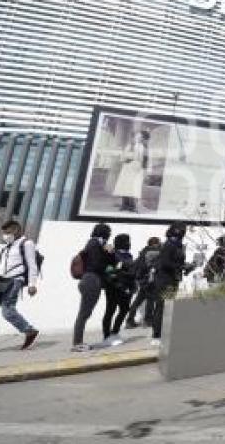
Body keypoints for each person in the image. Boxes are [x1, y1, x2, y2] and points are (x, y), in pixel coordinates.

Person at [0, 220, 40, 349]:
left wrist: (32, 284)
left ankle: (29, 330)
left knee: (7, 311)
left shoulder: (26, 243)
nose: (5, 236)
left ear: (16, 230)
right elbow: (2, 265)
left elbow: (32, 265)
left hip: (14, 281)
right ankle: (29, 331)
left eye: (8, 233)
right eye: (4, 233)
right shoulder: (8, 246)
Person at [72, 223, 114, 351]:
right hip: (91, 280)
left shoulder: (96, 244)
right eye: (108, 233)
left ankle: (78, 342)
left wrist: (109, 253)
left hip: (91, 280)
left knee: (85, 313)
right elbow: (97, 264)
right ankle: (77, 343)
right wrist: (108, 263)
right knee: (84, 313)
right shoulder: (94, 244)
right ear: (104, 233)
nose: (109, 235)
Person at [151, 222, 188, 347]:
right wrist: (181, 266)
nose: (182, 233)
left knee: (169, 308)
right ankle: (156, 335)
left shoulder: (178, 246)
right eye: (180, 230)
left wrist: (186, 267)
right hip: (164, 280)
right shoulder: (169, 245)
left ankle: (165, 334)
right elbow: (165, 263)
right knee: (161, 307)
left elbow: (177, 263)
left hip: (173, 279)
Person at [102, 233, 136, 345]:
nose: (129, 244)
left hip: (127, 288)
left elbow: (131, 271)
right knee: (110, 311)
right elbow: (110, 271)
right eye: (126, 241)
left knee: (125, 309)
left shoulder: (129, 255)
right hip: (114, 287)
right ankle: (106, 336)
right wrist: (119, 284)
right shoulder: (113, 255)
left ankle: (115, 332)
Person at [126, 237, 161, 328]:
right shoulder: (153, 252)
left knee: (138, 300)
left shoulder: (143, 252)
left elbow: (135, 265)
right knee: (150, 300)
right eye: (158, 243)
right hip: (149, 280)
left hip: (142, 280)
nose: (160, 244)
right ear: (155, 244)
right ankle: (148, 320)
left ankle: (130, 320)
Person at [113, 130, 149, 212]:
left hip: (136, 168)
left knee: (133, 187)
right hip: (128, 167)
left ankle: (132, 206)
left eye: (141, 137)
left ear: (143, 138)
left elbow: (144, 159)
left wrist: (143, 168)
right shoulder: (130, 145)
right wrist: (126, 158)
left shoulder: (143, 147)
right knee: (124, 185)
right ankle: (124, 204)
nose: (138, 138)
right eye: (138, 136)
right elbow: (124, 155)